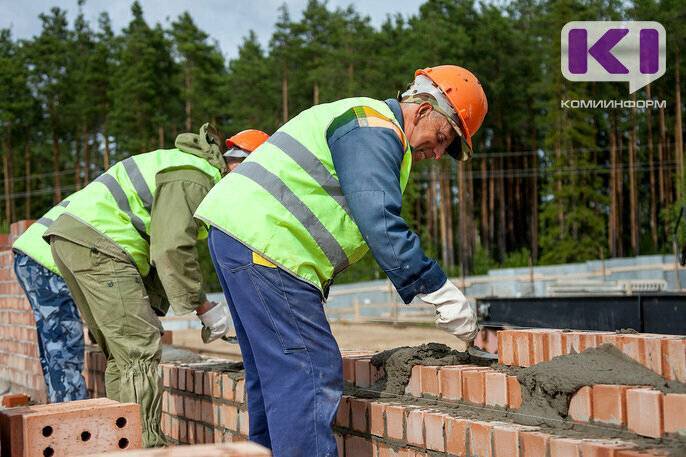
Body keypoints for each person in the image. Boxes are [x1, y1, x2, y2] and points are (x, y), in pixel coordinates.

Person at [194, 65, 488, 456]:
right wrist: (436, 288)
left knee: (272, 375)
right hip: (269, 246)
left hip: (242, 240)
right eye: (442, 138)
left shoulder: (373, 130)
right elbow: (379, 221)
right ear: (423, 109)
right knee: (309, 372)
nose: (436, 154)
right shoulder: (373, 127)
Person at [45, 125, 268, 447]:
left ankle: (117, 442)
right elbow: (170, 247)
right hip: (100, 242)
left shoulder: (187, 165)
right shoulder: (194, 175)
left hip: (76, 240)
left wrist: (154, 304)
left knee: (122, 356)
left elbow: (155, 244)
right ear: (244, 164)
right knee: (138, 350)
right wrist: (202, 305)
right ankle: (144, 446)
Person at [12, 197, 88, 403]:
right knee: (64, 344)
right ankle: (74, 419)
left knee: (54, 345)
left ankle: (59, 411)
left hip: (30, 254)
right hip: (46, 260)